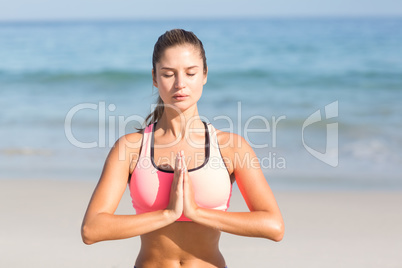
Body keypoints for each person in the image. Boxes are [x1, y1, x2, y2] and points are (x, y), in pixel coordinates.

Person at [81, 28, 284, 268]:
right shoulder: (131, 148)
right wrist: (167, 214)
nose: (180, 84)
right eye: (168, 74)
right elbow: (92, 229)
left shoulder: (231, 147)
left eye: (190, 73)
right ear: (155, 78)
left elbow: (274, 226)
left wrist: (197, 213)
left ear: (205, 75)